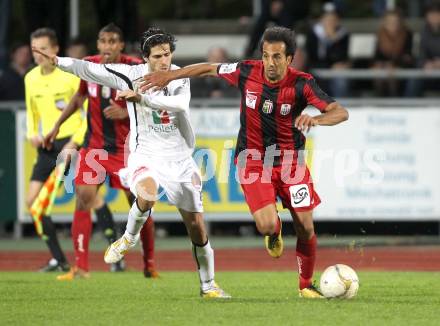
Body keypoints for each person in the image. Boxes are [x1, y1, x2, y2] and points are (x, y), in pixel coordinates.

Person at [141, 26, 349, 298]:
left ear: (289, 59)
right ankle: (273, 232)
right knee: (266, 225)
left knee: (305, 225)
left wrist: (316, 119)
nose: (270, 63)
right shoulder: (246, 71)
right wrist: (170, 75)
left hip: (290, 163)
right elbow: (208, 68)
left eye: (277, 57)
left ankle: (305, 285)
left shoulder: (303, 83)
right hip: (252, 162)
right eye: (265, 55)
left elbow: (340, 112)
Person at [34, 26, 230, 299]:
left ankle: (208, 285)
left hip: (180, 159)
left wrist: (142, 98)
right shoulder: (131, 75)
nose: (164, 61)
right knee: (146, 194)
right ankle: (128, 237)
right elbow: (89, 70)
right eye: (158, 56)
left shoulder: (178, 75)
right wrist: (60, 62)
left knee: (197, 227)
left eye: (167, 54)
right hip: (145, 154)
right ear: (146, 58)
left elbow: (180, 105)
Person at [44, 23, 158, 280]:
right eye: (103, 41)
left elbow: (153, 107)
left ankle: (149, 264)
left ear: (121, 45)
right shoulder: (89, 66)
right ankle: (80, 267)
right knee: (83, 197)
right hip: (95, 148)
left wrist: (125, 112)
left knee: (139, 204)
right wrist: (56, 127)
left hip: (127, 152)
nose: (107, 46)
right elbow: (78, 98)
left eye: (113, 41)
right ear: (98, 44)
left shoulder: (135, 69)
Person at [25, 27, 84, 272]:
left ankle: (117, 254)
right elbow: (32, 114)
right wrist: (32, 135)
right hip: (47, 147)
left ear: (56, 49)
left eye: (43, 48)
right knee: (32, 204)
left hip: (70, 144)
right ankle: (59, 260)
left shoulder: (70, 76)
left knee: (86, 198)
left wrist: (75, 142)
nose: (38, 54)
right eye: (34, 49)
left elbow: (87, 113)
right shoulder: (30, 78)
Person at [305, 2, 350, 97]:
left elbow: (342, 56)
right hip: (316, 67)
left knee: (340, 79)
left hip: (335, 68)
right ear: (321, 19)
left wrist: (333, 39)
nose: (330, 21)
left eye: (333, 18)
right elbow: (313, 55)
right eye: (327, 18)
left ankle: (340, 107)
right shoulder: (313, 33)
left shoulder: (343, 34)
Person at [372, 9, 414, 97]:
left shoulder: (407, 34)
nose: (392, 24)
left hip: (401, 66)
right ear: (385, 22)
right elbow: (376, 56)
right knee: (379, 72)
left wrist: (394, 64)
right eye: (389, 21)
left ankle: (395, 100)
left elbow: (407, 56)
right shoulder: (380, 35)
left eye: (395, 21)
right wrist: (383, 65)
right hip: (383, 68)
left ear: (400, 22)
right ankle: (380, 100)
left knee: (393, 74)